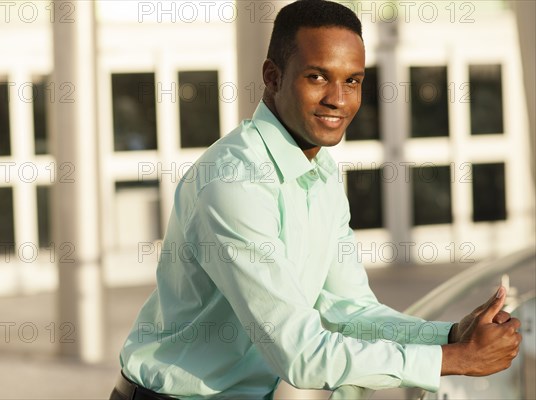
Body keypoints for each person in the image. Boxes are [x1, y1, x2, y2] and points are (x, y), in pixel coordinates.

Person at [110, 1, 522, 399]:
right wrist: (451, 360)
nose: (338, 99)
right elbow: (302, 354)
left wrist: (449, 336)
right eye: (317, 77)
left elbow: (349, 312)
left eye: (353, 80)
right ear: (272, 76)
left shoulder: (320, 174)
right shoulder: (234, 182)